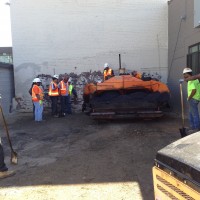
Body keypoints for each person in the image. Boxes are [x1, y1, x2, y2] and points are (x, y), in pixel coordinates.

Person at [183, 68, 200, 134]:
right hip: (196, 98)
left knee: (195, 114)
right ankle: (192, 127)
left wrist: (189, 97)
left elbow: (194, 90)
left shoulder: (191, 81)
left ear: (187, 74)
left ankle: (196, 128)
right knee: (191, 113)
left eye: (184, 74)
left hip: (193, 99)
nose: (184, 76)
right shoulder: (196, 80)